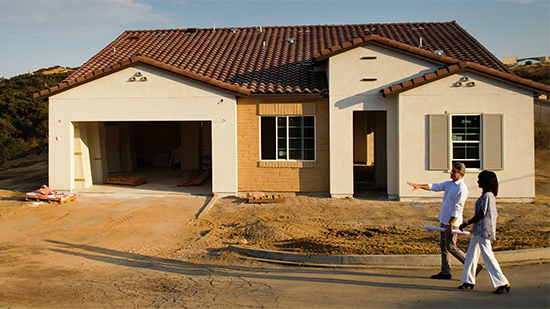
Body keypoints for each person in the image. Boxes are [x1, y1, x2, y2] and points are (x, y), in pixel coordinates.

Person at [407, 162, 480, 279]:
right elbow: (435, 186)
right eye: (451, 171)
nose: (451, 173)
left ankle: (473, 266)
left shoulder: (461, 188)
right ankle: (445, 271)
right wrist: (420, 186)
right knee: (444, 247)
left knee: (451, 247)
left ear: (461, 174)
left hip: (452, 223)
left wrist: (450, 224)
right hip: (444, 220)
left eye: (454, 172)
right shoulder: (449, 184)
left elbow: (458, 207)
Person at [457, 170, 511, 294]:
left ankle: (503, 282)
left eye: (480, 179)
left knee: (488, 255)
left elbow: (481, 214)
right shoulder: (486, 195)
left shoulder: (488, 196)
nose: (477, 181)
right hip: (478, 230)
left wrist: (466, 223)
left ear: (485, 182)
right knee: (471, 254)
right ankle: (468, 280)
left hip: (484, 230)